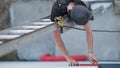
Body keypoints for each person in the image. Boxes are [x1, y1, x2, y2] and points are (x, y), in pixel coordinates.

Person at [51, 0, 98, 66]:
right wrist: (68, 58)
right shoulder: (57, 10)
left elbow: (88, 30)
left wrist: (91, 52)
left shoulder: (82, 6)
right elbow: (56, 37)